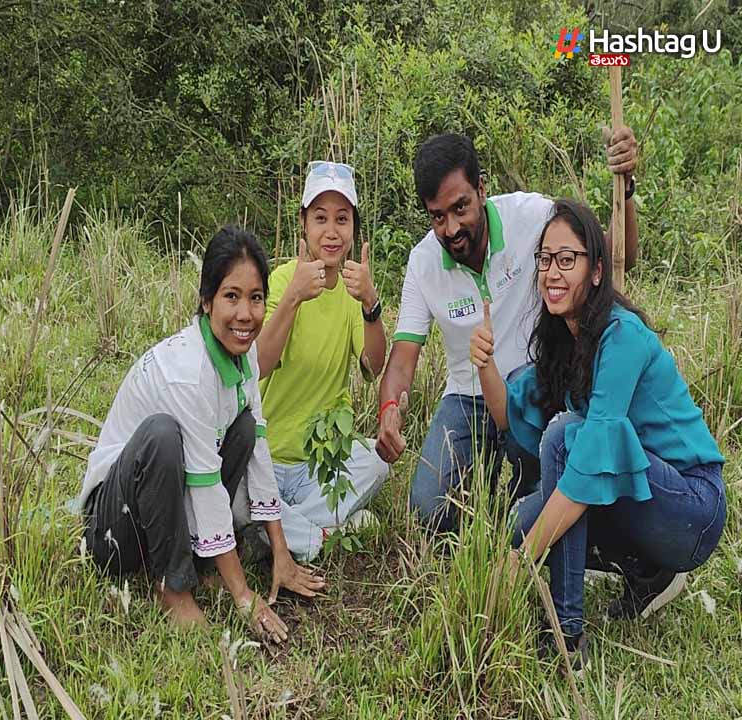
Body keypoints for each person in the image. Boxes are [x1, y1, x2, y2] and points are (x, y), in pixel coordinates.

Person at [473, 197, 725, 669]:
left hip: (692, 507)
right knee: (522, 519)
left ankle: (568, 637)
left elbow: (588, 454)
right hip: (642, 496)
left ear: (595, 270)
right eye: (545, 259)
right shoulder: (564, 343)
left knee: (567, 441)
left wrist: (522, 561)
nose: (552, 272)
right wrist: (485, 365)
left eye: (567, 259)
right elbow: (511, 417)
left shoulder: (621, 336)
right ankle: (649, 573)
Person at [375, 130, 640, 533]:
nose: (450, 228)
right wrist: (389, 411)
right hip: (468, 397)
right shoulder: (423, 262)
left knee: (530, 516)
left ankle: (527, 503)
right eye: (437, 216)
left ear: (482, 190)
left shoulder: (533, 217)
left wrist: (625, 191)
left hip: (538, 387)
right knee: (428, 512)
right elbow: (401, 361)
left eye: (460, 207)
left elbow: (617, 258)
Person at [79, 225, 324, 643]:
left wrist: (281, 552)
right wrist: (244, 596)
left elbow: (258, 451)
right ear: (206, 301)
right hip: (113, 529)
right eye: (231, 296)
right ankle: (173, 587)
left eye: (256, 298)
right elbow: (207, 489)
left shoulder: (243, 361)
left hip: (166, 502)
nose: (245, 314)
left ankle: (199, 559)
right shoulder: (187, 377)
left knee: (244, 429)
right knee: (162, 435)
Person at [255, 161, 388, 559]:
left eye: (342, 220)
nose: (331, 232)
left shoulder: (353, 289)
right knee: (238, 490)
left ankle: (279, 532)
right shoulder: (279, 281)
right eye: (320, 218)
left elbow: (373, 365)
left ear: (353, 229)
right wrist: (295, 296)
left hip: (321, 464)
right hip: (267, 460)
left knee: (377, 463)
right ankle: (323, 534)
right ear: (303, 225)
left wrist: (371, 302)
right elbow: (258, 364)